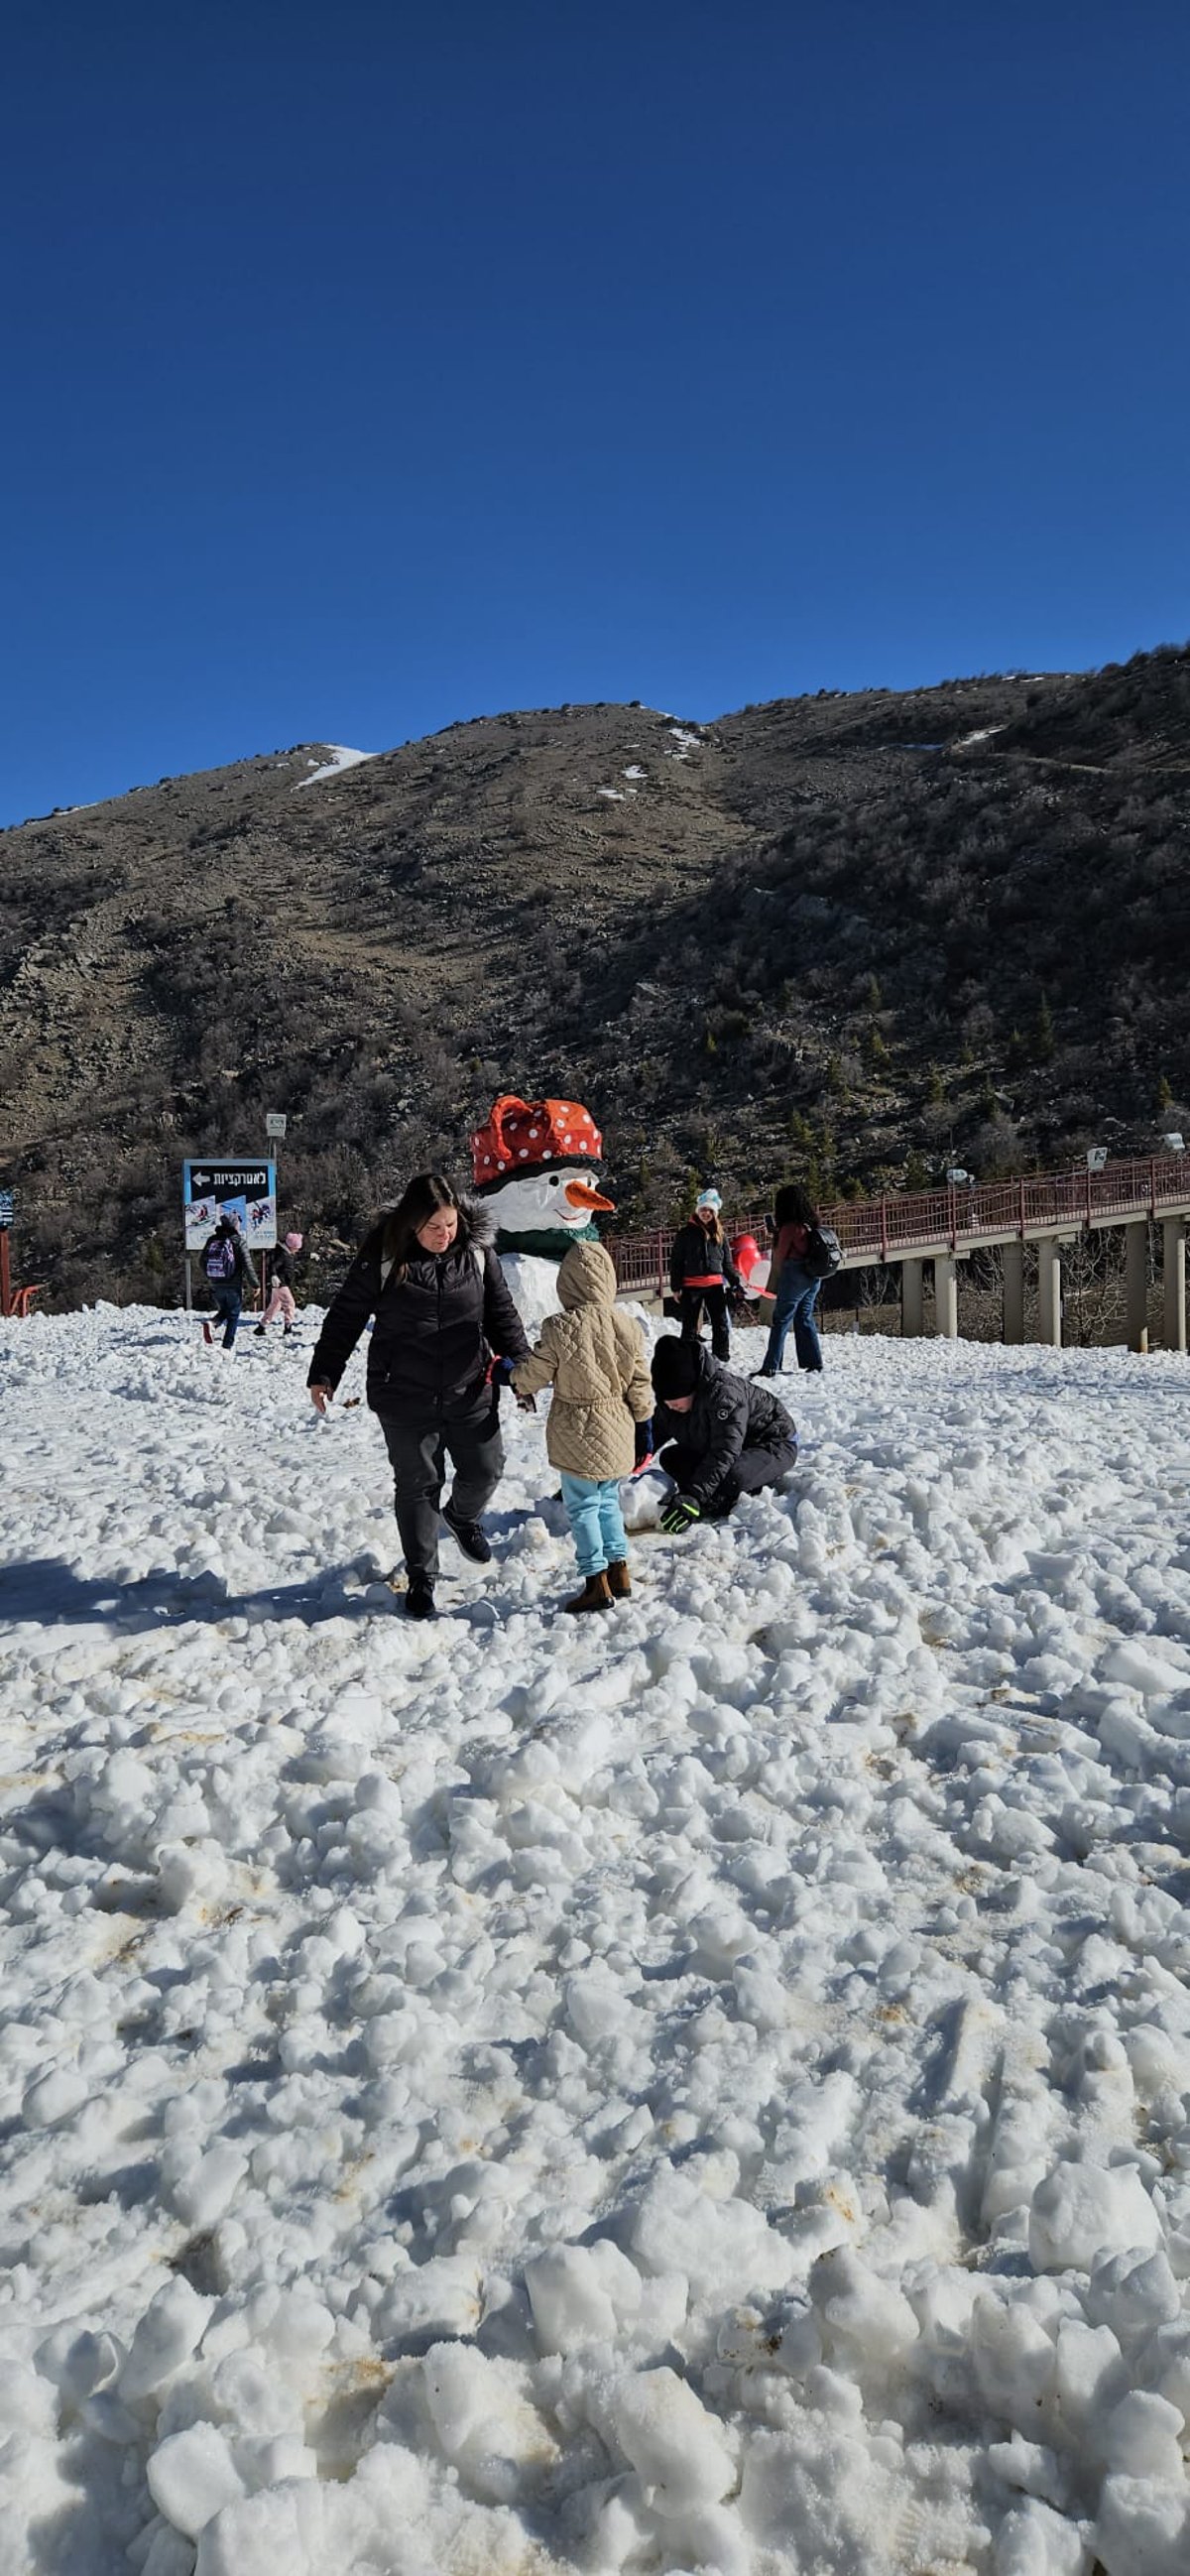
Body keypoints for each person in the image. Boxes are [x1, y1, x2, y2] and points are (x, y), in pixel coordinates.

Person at [306, 1174, 529, 1620]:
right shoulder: (385, 1254)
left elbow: (501, 1314)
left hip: (471, 1387)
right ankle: (422, 1576)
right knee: (417, 1486)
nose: (443, 1236)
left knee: (486, 1469)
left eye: (449, 1225)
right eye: (432, 1228)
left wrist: (523, 1371)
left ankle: (463, 1518)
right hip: (404, 1392)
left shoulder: (478, 1254)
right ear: (411, 1224)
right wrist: (326, 1372)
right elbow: (347, 1314)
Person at [512, 1239, 654, 1614]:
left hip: (577, 1428)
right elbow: (640, 1383)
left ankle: (594, 1581)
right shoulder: (628, 1325)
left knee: (583, 1506)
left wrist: (509, 1376)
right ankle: (619, 1570)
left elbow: (532, 1376)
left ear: (568, 1283)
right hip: (618, 1426)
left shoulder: (559, 1327)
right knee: (608, 1500)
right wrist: (645, 1424)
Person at [650, 1335, 797, 1530]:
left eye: (675, 1400)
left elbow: (724, 1451)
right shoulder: (670, 1405)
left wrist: (694, 1496)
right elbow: (650, 1437)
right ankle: (717, 1492)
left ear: (692, 1386)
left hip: (772, 1444)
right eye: (666, 1401)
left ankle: (726, 1497)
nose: (670, 1406)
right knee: (671, 1457)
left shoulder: (724, 1395)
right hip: (726, 1448)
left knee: (734, 1475)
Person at [756, 1183, 826, 1377]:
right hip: (813, 1275)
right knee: (804, 1317)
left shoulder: (789, 1227)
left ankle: (771, 1365)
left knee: (781, 1319)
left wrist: (773, 1282)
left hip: (794, 1275)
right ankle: (814, 1362)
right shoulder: (810, 1222)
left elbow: (779, 1256)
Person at [669, 1187, 742, 1361]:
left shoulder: (720, 1234)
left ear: (715, 1213)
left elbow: (727, 1262)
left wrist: (735, 1282)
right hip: (691, 1285)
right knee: (690, 1325)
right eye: (703, 1210)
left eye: (710, 1210)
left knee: (720, 1323)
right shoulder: (685, 1233)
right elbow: (676, 1262)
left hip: (715, 1285)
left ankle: (721, 1356)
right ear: (698, 1211)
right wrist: (676, 1286)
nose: (706, 1213)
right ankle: (688, 1358)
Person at [199, 1213, 259, 1350]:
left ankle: (213, 1323)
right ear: (234, 1224)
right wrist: (255, 1284)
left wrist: (211, 1276)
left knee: (226, 1310)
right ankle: (227, 1346)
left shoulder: (212, 1240)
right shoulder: (238, 1241)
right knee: (233, 1314)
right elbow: (247, 1266)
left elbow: (201, 1261)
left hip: (216, 1283)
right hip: (233, 1284)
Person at [254, 1230, 303, 1337]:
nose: (297, 1251)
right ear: (291, 1246)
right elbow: (273, 1266)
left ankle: (261, 1326)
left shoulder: (287, 1253)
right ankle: (288, 1327)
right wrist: (273, 1275)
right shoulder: (283, 1255)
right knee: (290, 1304)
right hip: (281, 1283)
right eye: (297, 1248)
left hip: (279, 1284)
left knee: (275, 1305)